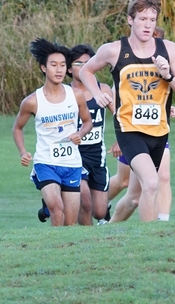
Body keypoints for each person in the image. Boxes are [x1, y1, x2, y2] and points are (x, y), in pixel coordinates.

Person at [80, 0, 175, 222]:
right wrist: (97, 93)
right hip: (129, 130)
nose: (148, 24)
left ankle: (124, 228)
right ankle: (151, 240)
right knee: (152, 183)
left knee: (139, 192)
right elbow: (85, 71)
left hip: (159, 130)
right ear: (130, 20)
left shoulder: (169, 50)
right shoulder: (113, 50)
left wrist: (167, 75)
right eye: (142, 19)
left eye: (152, 19)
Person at [12, 39, 92, 226]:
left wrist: (80, 134)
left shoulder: (76, 96)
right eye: (54, 65)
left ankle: (65, 251)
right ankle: (54, 245)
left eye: (63, 65)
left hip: (71, 163)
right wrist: (23, 151)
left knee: (70, 223)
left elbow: (88, 122)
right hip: (45, 162)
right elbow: (17, 128)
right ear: (43, 68)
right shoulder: (32, 101)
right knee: (57, 209)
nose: (59, 70)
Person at [63, 44, 114, 225]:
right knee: (84, 201)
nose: (83, 66)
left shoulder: (104, 89)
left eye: (87, 63)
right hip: (74, 155)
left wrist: (120, 142)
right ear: (69, 68)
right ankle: (87, 240)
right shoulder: (64, 93)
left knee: (99, 212)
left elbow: (119, 116)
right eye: (78, 63)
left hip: (97, 155)